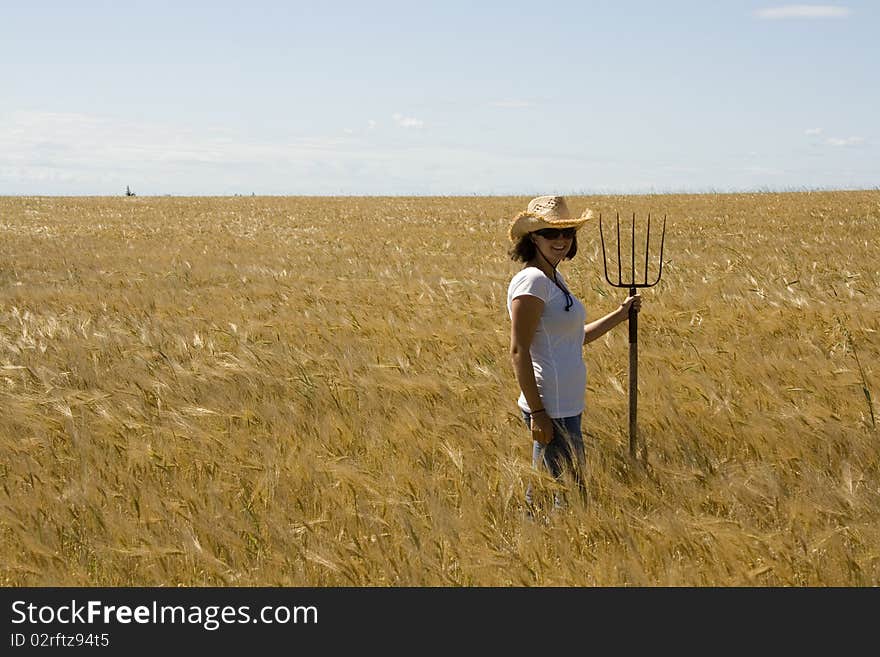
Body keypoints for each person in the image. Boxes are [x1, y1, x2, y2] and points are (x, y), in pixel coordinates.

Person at [506, 195, 641, 511]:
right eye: (551, 234)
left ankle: (537, 544)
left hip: (567, 404)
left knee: (549, 490)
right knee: (568, 493)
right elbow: (518, 350)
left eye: (567, 233)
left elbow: (573, 338)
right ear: (533, 238)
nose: (561, 241)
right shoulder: (532, 281)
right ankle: (543, 546)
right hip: (549, 405)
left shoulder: (555, 278)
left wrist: (620, 315)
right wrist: (539, 413)